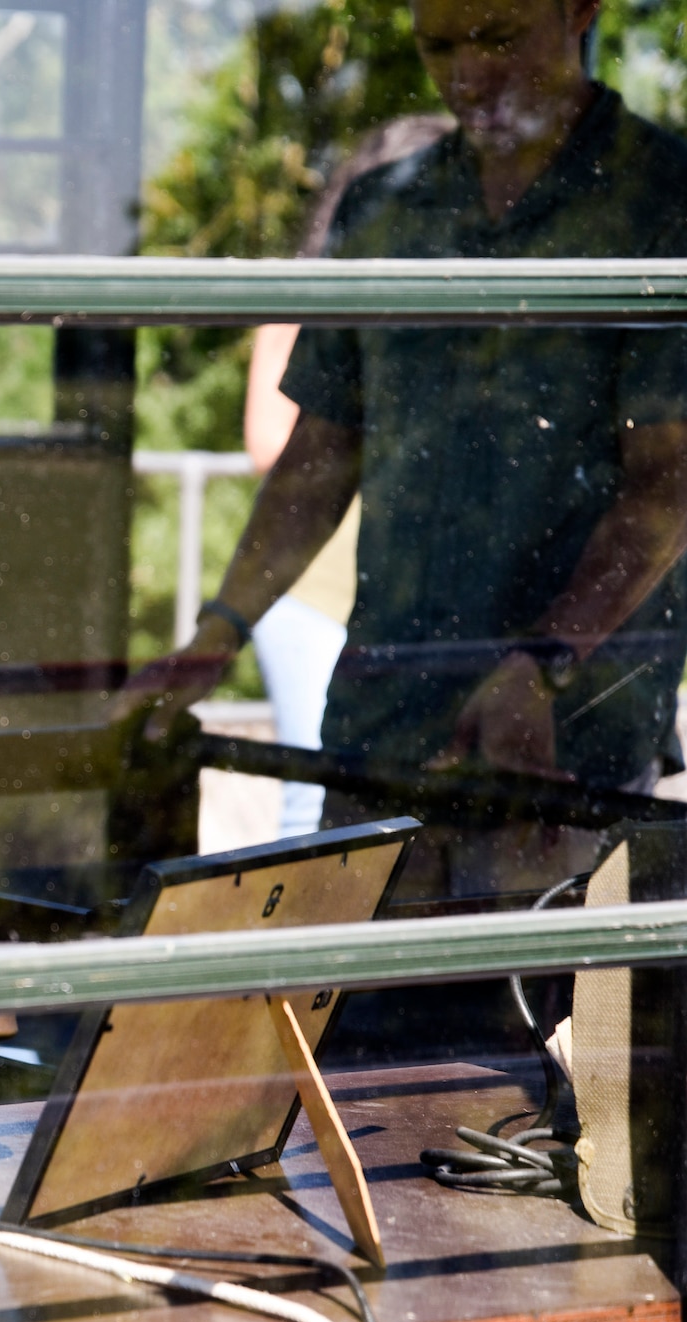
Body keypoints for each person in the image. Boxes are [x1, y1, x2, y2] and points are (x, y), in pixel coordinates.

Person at [119, 0, 687, 903]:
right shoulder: (387, 207)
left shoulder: (660, 198)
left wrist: (544, 664)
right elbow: (317, 456)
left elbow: (668, 488)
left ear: (580, 12)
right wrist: (216, 634)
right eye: (440, 45)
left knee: (530, 1028)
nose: (468, 72)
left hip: (559, 751)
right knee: (353, 1021)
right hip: (382, 727)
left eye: (499, 37)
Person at [245, 115, 452, 839]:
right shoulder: (315, 295)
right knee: (317, 805)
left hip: (414, 604)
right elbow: (271, 438)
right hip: (314, 595)